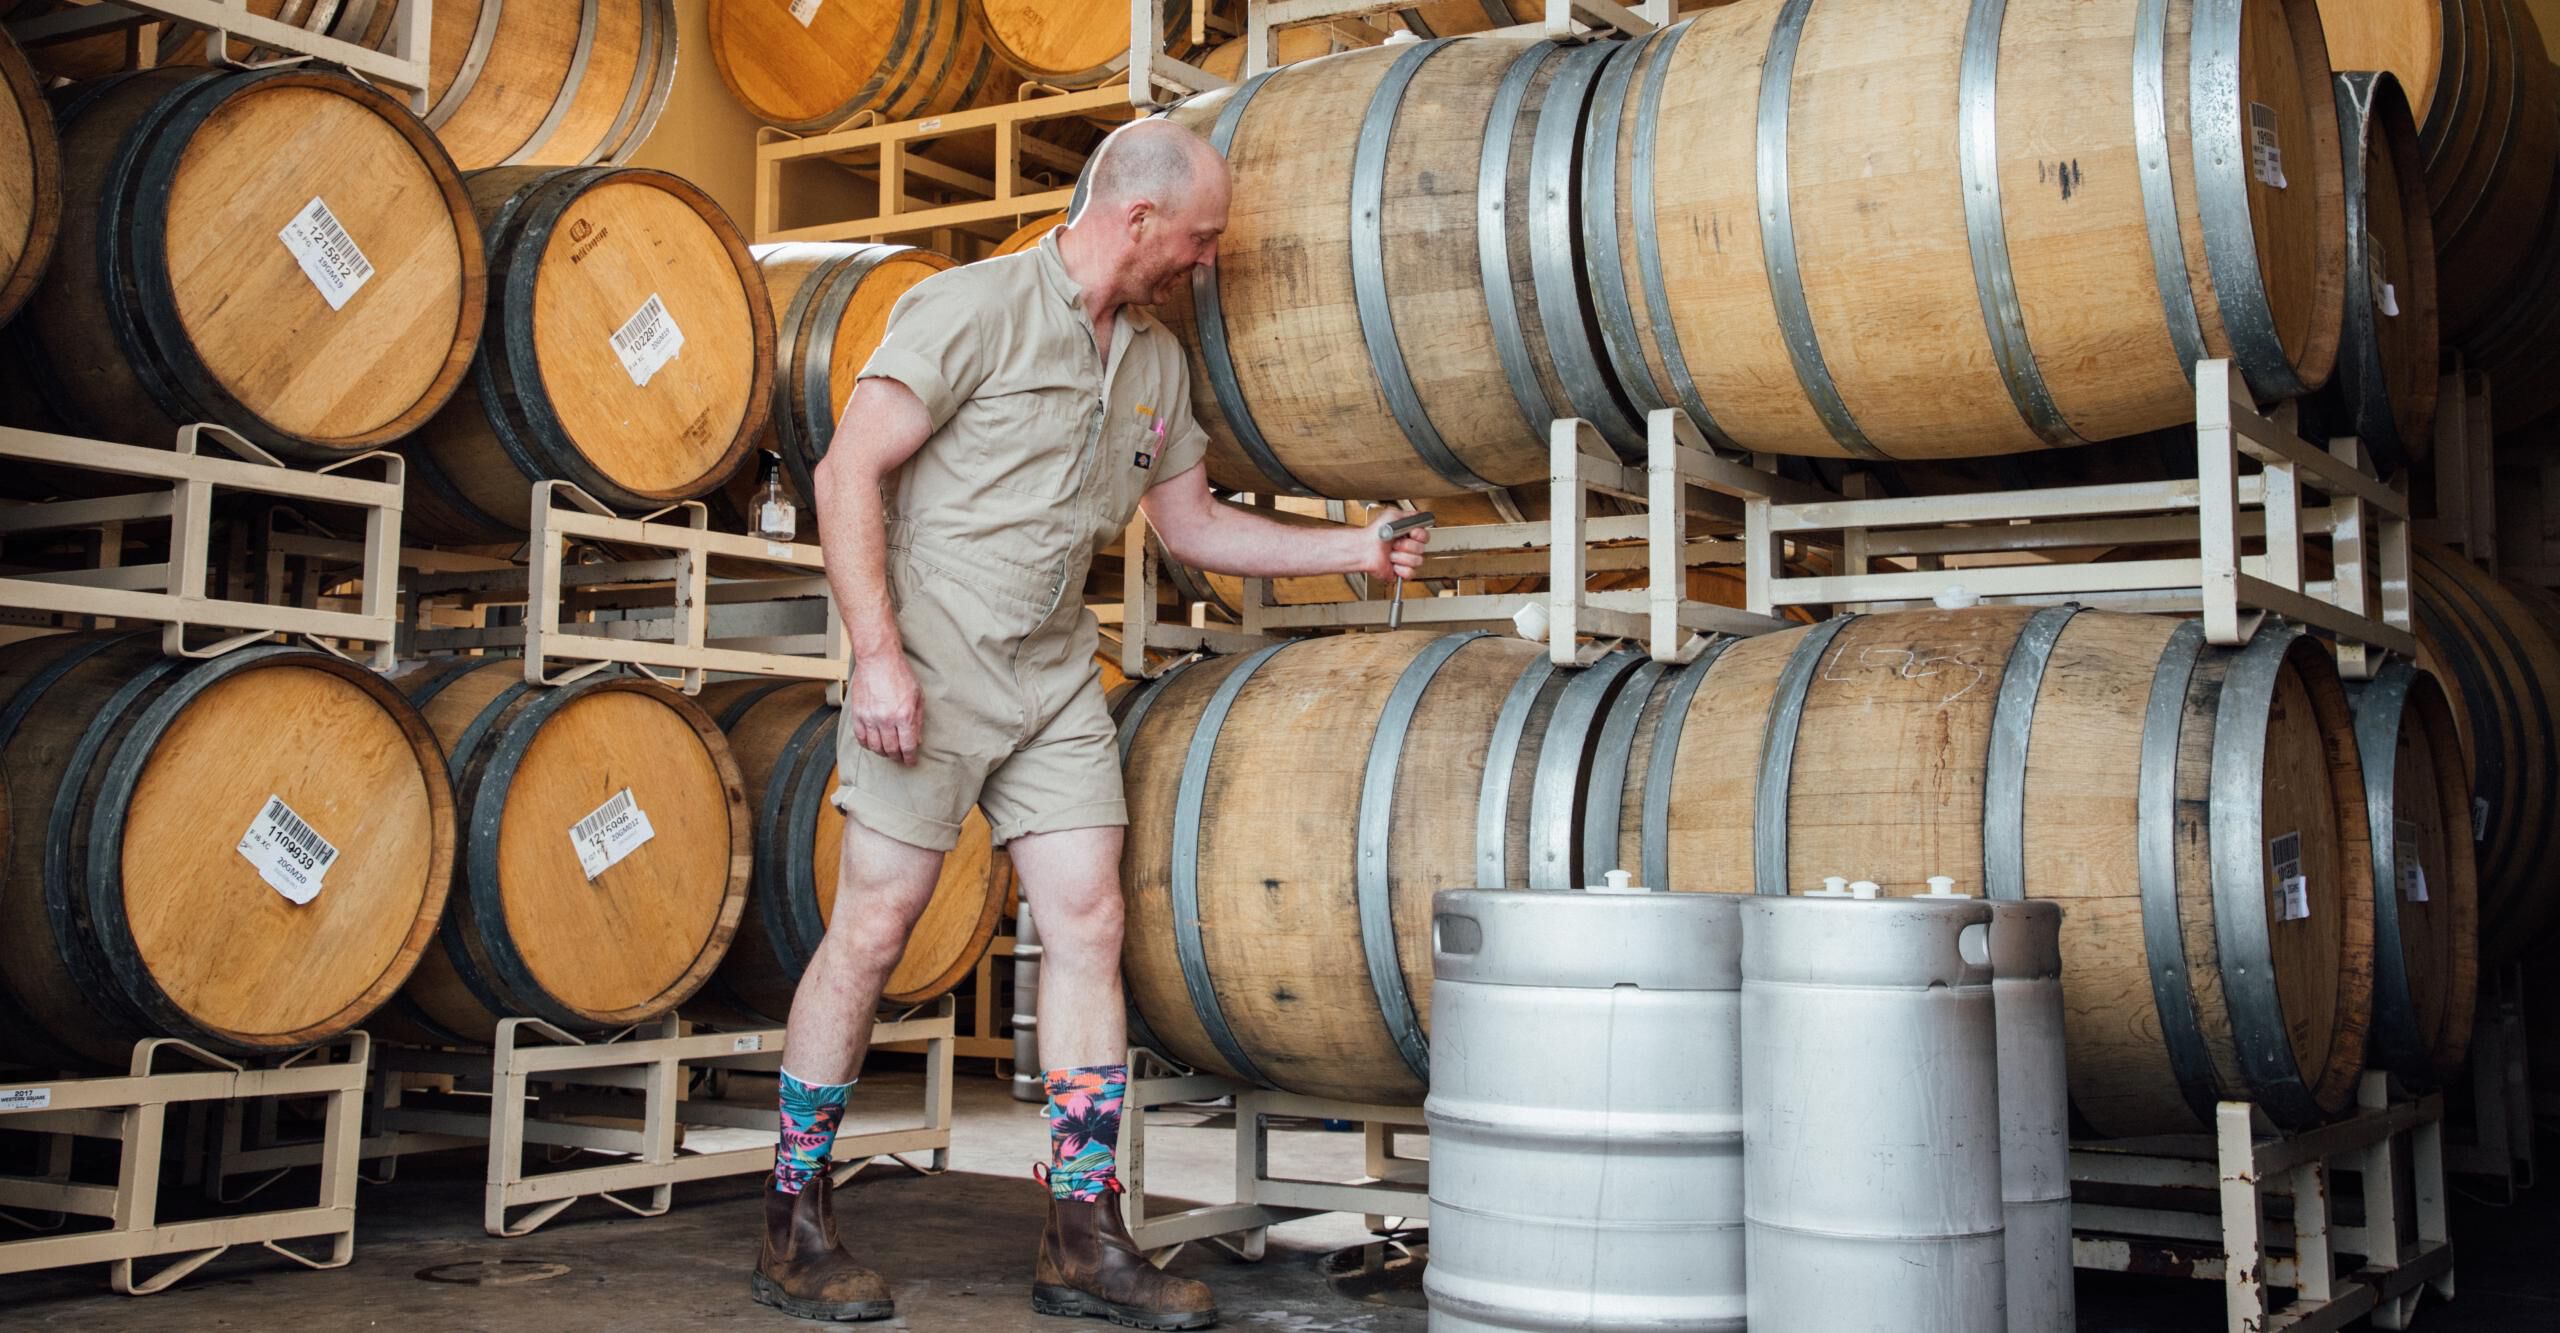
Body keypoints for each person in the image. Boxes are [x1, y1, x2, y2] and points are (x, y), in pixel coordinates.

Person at [751, 117, 1432, 1328]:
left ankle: (1082, 1230)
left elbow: (1192, 527)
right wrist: (877, 658)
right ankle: (794, 1219)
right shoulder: (967, 309)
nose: (1209, 259)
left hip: (1055, 672)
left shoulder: (1156, 364)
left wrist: (1354, 543)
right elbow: (847, 474)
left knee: (1087, 917)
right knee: (875, 927)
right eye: (1201, 237)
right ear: (1135, 221)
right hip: (934, 660)